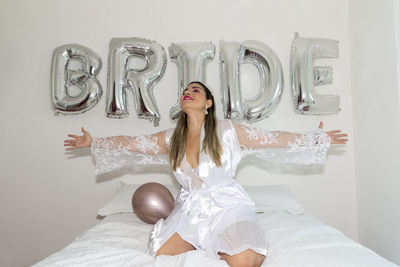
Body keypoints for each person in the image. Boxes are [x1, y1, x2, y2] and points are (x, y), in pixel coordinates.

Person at [64, 81, 348, 267]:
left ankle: (226, 244)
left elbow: (274, 138)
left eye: (196, 90)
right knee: (161, 254)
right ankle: (212, 245)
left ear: (208, 103)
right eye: (185, 90)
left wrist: (316, 138)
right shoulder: (171, 137)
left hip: (227, 206)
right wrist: (95, 143)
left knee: (245, 257)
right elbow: (132, 145)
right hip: (191, 211)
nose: (188, 92)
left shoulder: (228, 131)